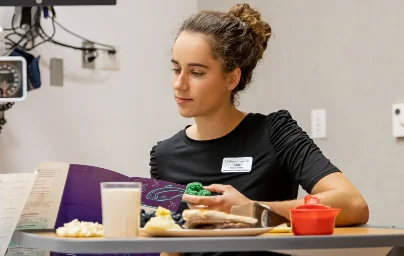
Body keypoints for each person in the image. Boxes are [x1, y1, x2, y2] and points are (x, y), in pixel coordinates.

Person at [151, 4, 369, 256]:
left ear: (231, 78)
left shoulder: (275, 132)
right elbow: (171, 246)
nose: (179, 84)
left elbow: (353, 204)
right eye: (176, 69)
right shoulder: (164, 155)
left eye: (197, 72)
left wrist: (252, 209)